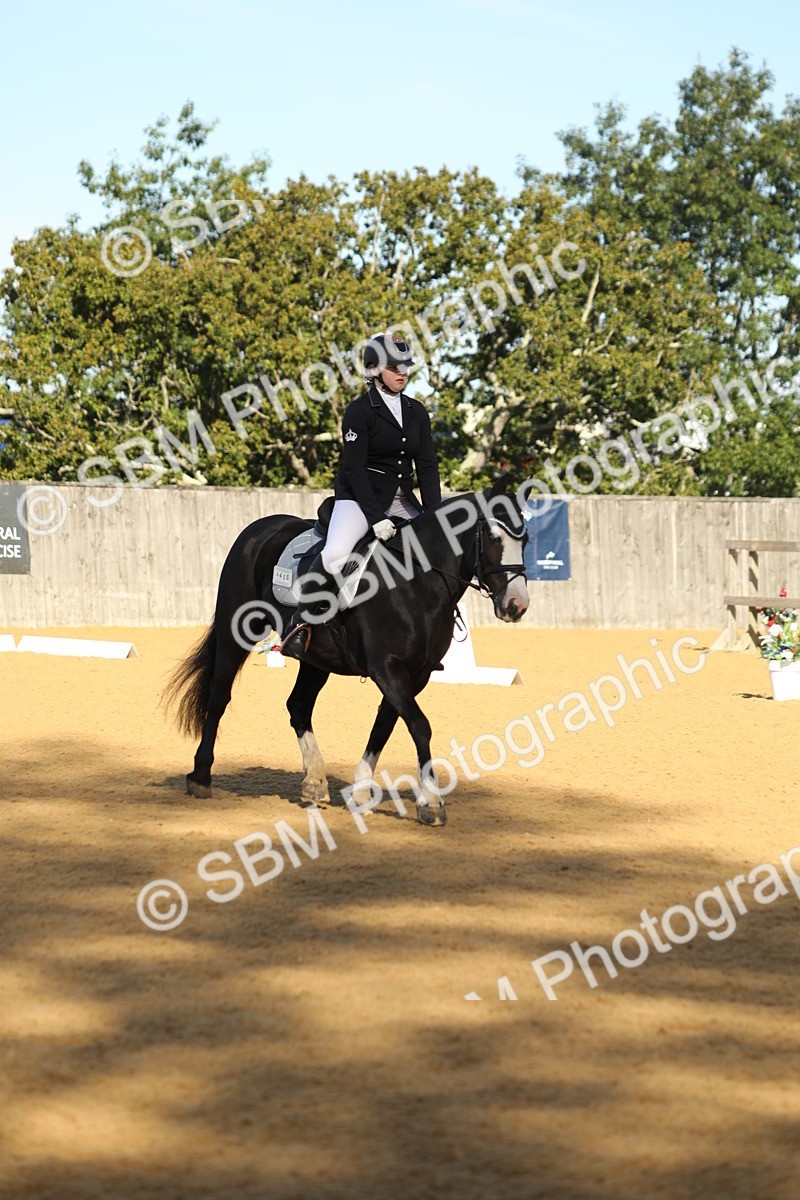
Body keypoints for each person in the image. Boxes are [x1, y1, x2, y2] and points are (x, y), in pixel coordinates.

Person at [281, 331, 442, 658]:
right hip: (359, 499)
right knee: (335, 553)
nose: (402, 373)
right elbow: (354, 470)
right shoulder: (359, 411)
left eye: (405, 366)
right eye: (393, 366)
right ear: (372, 370)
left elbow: (427, 467)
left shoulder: (416, 411)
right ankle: (300, 624)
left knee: (439, 552)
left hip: (402, 500)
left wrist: (436, 518)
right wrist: (376, 518)